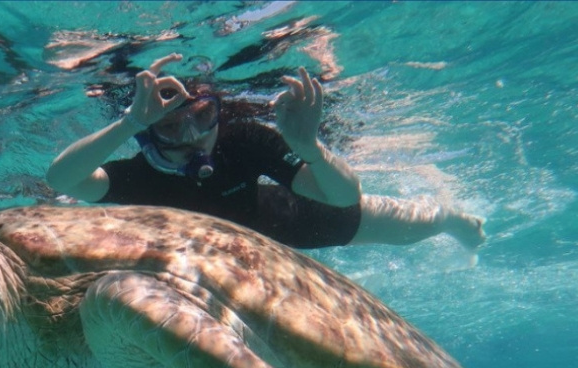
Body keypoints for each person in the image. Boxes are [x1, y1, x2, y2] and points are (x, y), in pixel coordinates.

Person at [46, 53, 485, 250]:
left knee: (397, 226)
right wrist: (128, 123)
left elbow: (343, 196)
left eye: (204, 116)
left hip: (281, 224)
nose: (195, 135)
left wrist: (311, 149)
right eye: (171, 127)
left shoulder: (245, 140)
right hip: (208, 262)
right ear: (149, 135)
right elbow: (60, 179)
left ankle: (449, 219)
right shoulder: (140, 176)